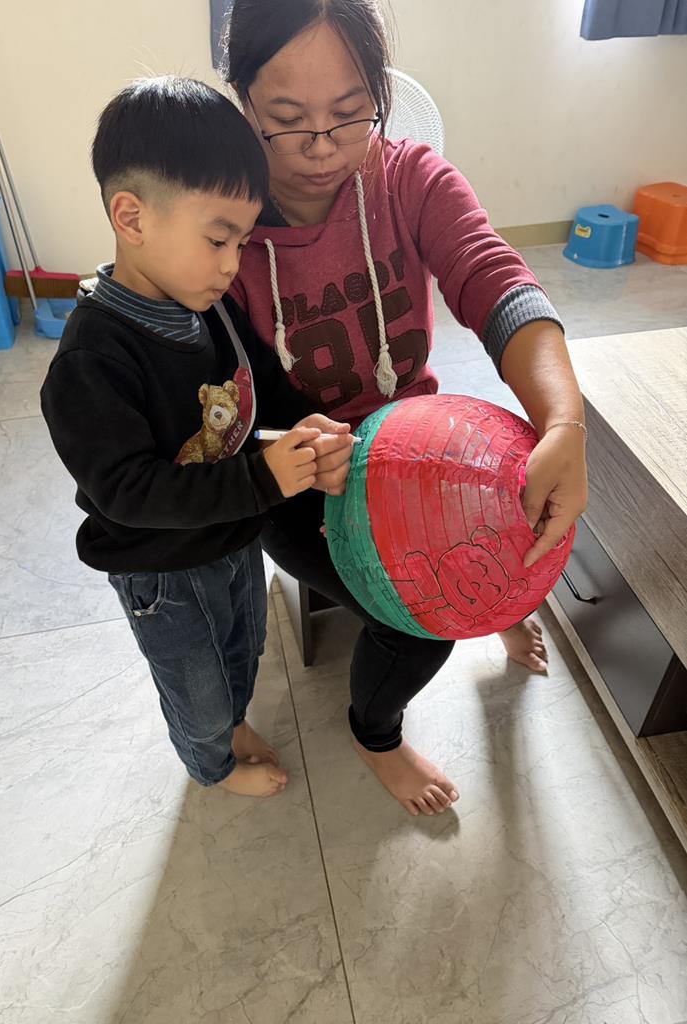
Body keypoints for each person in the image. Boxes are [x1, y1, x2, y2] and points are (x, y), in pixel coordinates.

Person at [223, 0, 589, 816]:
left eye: (350, 113)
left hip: (415, 440)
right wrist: (292, 458)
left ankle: (497, 607)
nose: (323, 148)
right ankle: (375, 734)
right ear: (241, 100)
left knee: (524, 522)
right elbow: (222, 406)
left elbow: (494, 279)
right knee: (421, 623)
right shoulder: (221, 224)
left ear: (381, 96)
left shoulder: (407, 179)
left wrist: (564, 422)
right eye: (287, 119)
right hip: (297, 478)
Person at [40, 76, 354, 798]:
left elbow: (257, 382)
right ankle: (210, 763)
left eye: (240, 241)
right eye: (217, 239)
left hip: (231, 535)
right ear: (131, 216)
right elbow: (128, 492)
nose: (230, 263)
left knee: (243, 650)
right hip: (162, 570)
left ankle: (230, 723)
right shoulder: (91, 363)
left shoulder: (204, 306)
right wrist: (261, 479)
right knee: (195, 686)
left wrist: (298, 424)